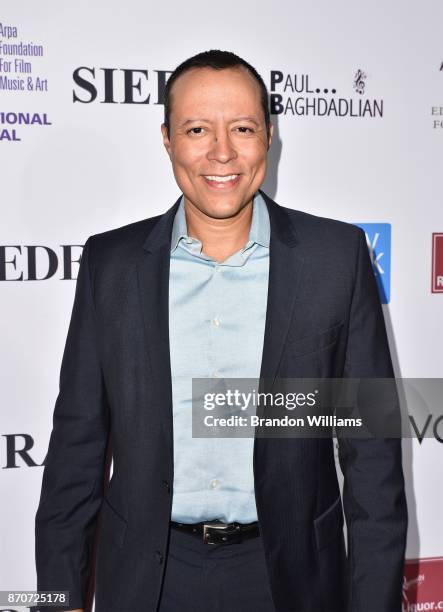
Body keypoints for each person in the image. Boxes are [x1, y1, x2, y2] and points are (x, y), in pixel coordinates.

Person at [34, 50, 408, 612]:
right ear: (166, 140)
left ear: (269, 137)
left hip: (291, 580)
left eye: (242, 128)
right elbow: (74, 459)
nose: (222, 152)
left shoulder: (338, 259)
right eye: (196, 129)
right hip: (150, 581)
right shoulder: (111, 265)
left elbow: (374, 464)